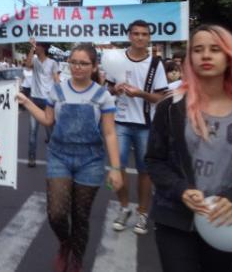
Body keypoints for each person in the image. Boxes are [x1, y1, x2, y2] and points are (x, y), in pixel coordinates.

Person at [146, 25, 232, 272]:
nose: (206, 55)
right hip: (174, 218)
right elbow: (154, 160)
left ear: (230, 57)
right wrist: (181, 189)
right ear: (190, 58)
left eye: (215, 49)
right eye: (198, 50)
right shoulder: (171, 106)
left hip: (225, 220)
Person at [17, 44, 123, 272]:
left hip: (90, 161)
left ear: (94, 66)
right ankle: (65, 244)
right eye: (74, 62)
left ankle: (76, 259)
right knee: (56, 213)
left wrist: (115, 168)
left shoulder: (103, 96)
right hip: (59, 157)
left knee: (81, 216)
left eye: (84, 63)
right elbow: (48, 120)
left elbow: (109, 133)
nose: (78, 67)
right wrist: (26, 102)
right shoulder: (57, 91)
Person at [105, 20, 168, 235]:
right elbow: (108, 89)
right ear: (129, 35)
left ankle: (142, 212)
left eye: (144, 34)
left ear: (149, 37)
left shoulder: (155, 63)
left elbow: (160, 97)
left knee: (144, 172)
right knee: (118, 169)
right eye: (136, 33)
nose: (140, 37)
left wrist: (140, 94)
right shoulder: (117, 59)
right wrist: (116, 89)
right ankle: (124, 208)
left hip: (146, 125)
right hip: (120, 122)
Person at [26, 38, 59, 168]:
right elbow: (27, 65)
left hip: (48, 101)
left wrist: (59, 96)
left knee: (51, 133)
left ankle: (55, 158)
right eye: (36, 46)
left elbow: (56, 80)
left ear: (44, 48)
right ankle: (31, 158)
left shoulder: (53, 63)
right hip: (34, 100)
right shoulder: (34, 60)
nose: (36, 48)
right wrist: (31, 48)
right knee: (32, 132)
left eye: (38, 46)